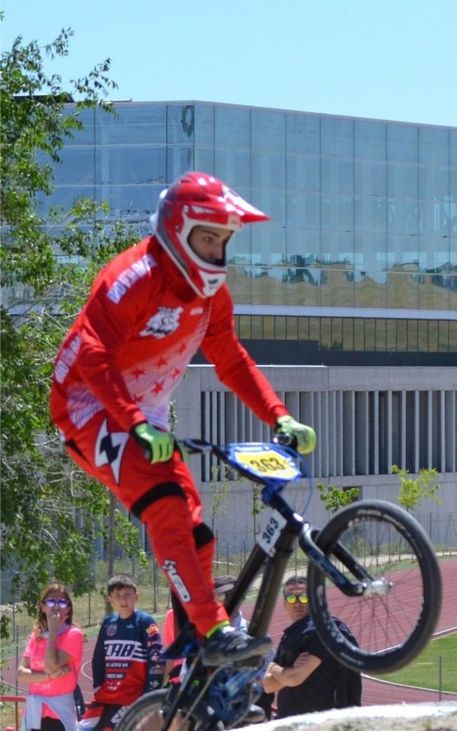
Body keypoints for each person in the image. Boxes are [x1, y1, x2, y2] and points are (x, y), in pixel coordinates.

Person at [49, 172, 317, 667]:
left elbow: (231, 360)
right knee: (166, 505)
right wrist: (134, 422)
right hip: (88, 406)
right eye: (207, 237)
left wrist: (278, 415)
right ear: (177, 230)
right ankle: (215, 628)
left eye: (224, 240)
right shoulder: (134, 276)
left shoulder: (213, 294)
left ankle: (191, 643)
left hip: (140, 413)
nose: (216, 250)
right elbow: (93, 354)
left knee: (197, 536)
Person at [260, 576, 361, 718]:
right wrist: (287, 672)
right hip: (292, 721)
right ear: (284, 604)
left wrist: (272, 667)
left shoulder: (324, 629)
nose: (296, 603)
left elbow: (294, 678)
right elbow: (269, 685)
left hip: (325, 721)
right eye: (291, 598)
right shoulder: (290, 636)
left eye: (303, 597)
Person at [82, 575, 164, 731]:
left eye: (127, 594)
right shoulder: (108, 624)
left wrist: (148, 696)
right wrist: (98, 686)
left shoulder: (145, 622)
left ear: (136, 596)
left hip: (132, 699)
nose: (123, 600)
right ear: (110, 600)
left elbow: (156, 659)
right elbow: (98, 658)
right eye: (117, 596)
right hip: (105, 696)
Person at [19, 583, 85, 731]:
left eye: (62, 602)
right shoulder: (36, 636)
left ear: (68, 609)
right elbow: (21, 674)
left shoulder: (74, 634)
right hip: (35, 711)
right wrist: (49, 677)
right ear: (43, 607)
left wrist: (53, 631)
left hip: (59, 713)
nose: (56, 606)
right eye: (50, 601)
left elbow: (50, 666)